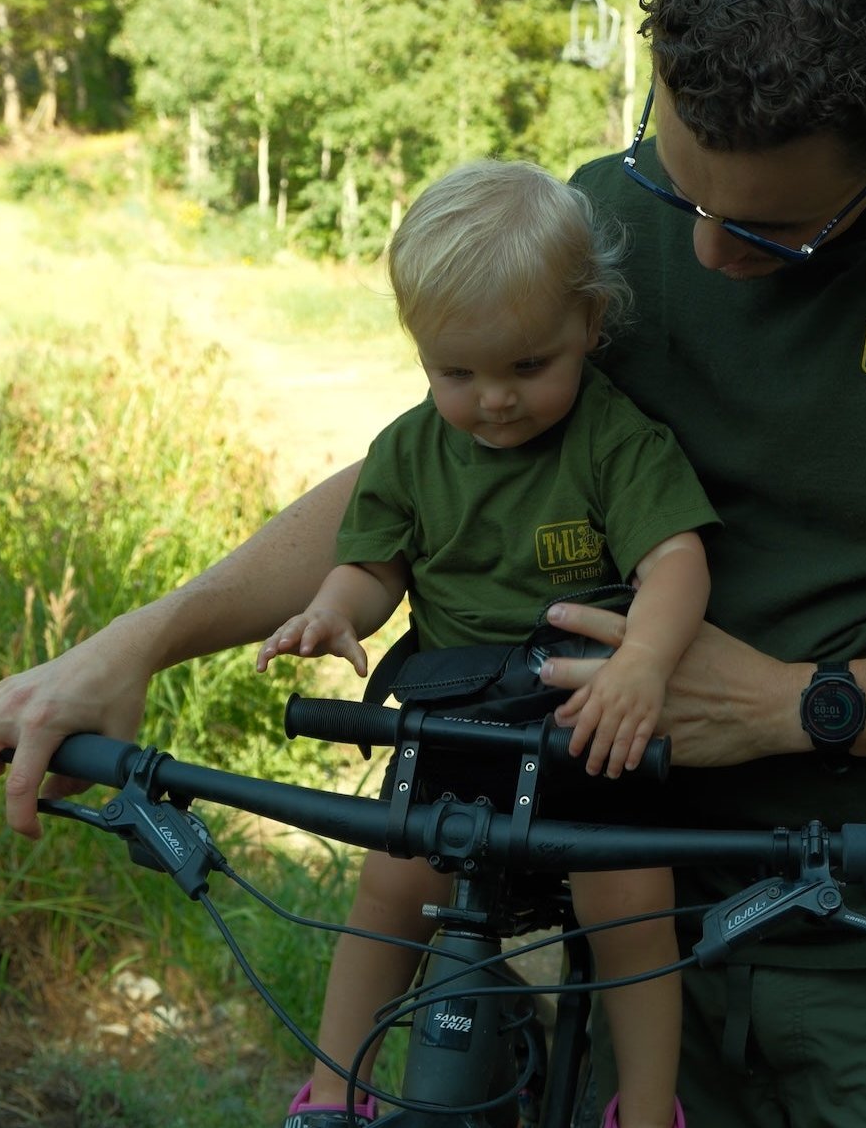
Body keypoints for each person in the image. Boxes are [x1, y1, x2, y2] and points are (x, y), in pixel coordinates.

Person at [0, 0, 866, 1128]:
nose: (698, 255)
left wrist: (791, 706)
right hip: (626, 913)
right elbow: (425, 475)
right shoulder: (617, 209)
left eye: (771, 237)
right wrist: (130, 642)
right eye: (672, 181)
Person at [263, 158, 714, 1128]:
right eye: (454, 372)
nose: (492, 400)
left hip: (586, 715)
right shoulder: (410, 448)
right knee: (390, 882)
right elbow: (376, 562)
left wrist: (642, 661)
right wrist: (336, 607)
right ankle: (335, 1093)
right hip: (457, 716)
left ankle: (642, 1109)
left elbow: (676, 560)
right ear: (421, 351)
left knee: (631, 898)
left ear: (590, 325)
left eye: (525, 367)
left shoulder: (614, 441)